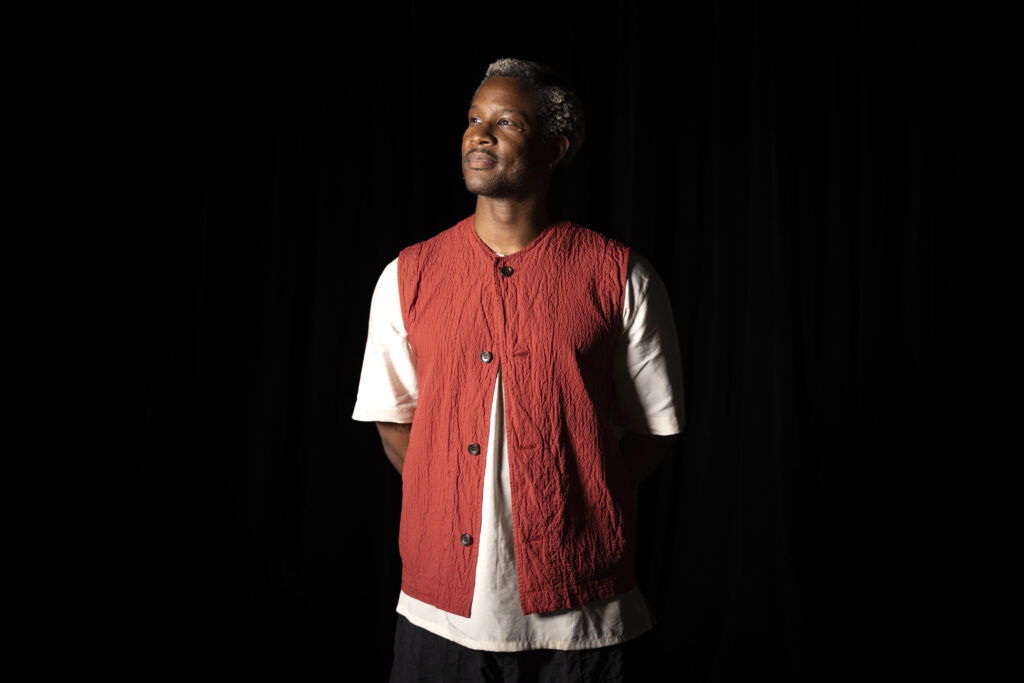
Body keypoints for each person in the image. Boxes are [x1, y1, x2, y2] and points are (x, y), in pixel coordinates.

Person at [353, 58, 685, 681]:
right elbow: (395, 423)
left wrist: (575, 498)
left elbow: (652, 431)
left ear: (554, 148)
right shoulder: (407, 276)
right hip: (439, 616)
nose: (480, 134)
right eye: (473, 119)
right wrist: (447, 486)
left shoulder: (621, 276)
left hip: (584, 618)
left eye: (506, 121)